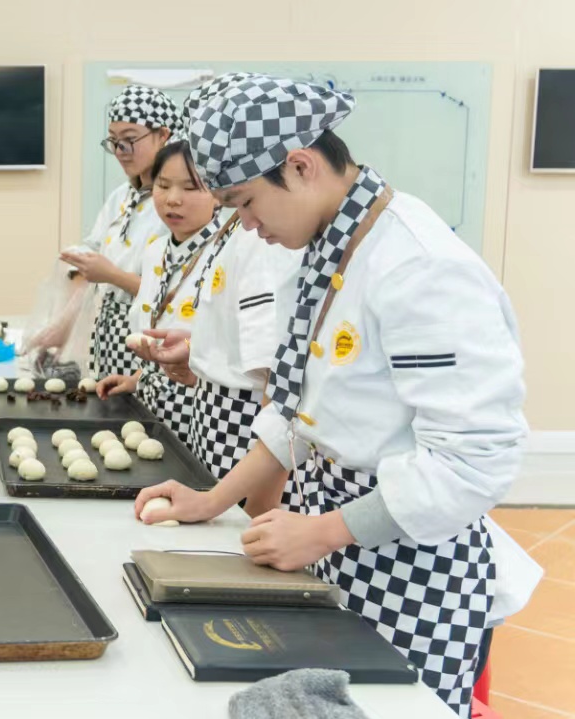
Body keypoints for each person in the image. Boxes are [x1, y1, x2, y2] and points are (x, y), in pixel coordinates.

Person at [134, 75, 529, 717]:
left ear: (301, 165)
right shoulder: (327, 246)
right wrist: (215, 498)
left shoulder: (417, 265)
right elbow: (299, 409)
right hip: (333, 538)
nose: (247, 226)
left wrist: (325, 531)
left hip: (411, 563)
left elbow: (472, 462)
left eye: (246, 203)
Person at [98, 77, 302, 481]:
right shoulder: (170, 248)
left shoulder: (255, 241)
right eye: (163, 185)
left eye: (193, 187)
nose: (173, 199)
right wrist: (145, 377)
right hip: (192, 412)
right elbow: (211, 345)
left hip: (235, 422)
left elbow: (267, 374)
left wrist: (261, 495)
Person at [30, 86, 181, 381]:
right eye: (113, 142)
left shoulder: (177, 206)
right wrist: (61, 328)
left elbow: (180, 295)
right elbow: (90, 269)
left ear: (163, 135)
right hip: (109, 344)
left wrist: (111, 274)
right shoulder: (121, 197)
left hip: (158, 347)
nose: (120, 151)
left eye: (129, 139)